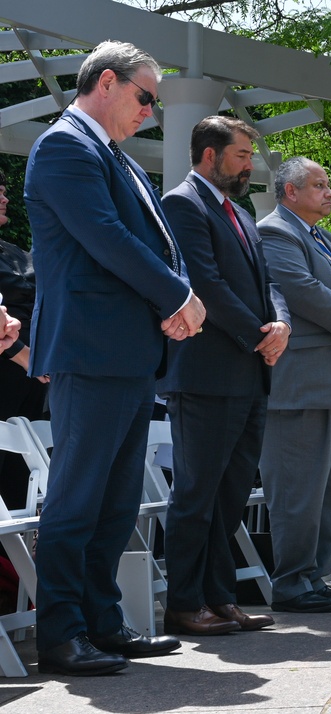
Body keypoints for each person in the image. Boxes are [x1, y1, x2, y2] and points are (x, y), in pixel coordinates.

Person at [24, 40, 205, 674]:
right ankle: (61, 635)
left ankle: (103, 623)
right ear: (107, 81)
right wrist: (178, 294)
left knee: (116, 502)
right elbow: (106, 238)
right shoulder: (64, 146)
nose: (151, 111)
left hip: (127, 352)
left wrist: (176, 296)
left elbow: (154, 240)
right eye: (146, 96)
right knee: (77, 501)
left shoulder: (112, 154)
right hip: (91, 349)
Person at [158, 116, 289, 634]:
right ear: (210, 155)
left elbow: (268, 283)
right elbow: (205, 286)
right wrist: (262, 334)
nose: (248, 165)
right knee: (197, 494)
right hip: (206, 375)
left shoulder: (239, 212)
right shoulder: (182, 204)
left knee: (231, 495)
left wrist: (279, 321)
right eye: (240, 155)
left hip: (249, 374)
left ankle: (220, 597)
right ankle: (184, 604)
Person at [254, 157, 331, 612]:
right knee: (298, 489)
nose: (329, 192)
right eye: (319, 185)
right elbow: (303, 290)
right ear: (290, 192)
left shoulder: (330, 240)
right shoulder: (274, 233)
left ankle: (315, 577)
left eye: (329, 184)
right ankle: (290, 582)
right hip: (304, 385)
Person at [0, 169, 50, 512]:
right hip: (9, 371)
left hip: (36, 382)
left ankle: (13, 565)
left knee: (25, 475)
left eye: (5, 190)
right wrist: (24, 355)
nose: (5, 198)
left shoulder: (17, 251)